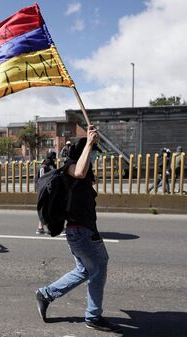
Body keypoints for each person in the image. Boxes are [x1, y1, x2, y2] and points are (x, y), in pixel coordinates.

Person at [35, 126, 121, 333]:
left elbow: (85, 176)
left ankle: (46, 294)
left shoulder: (82, 173)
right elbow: (80, 171)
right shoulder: (71, 168)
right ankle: (93, 316)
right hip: (81, 232)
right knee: (98, 269)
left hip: (82, 231)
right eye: (91, 153)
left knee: (87, 270)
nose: (93, 157)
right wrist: (89, 142)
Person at [36, 149, 57, 235]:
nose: (55, 159)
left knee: (47, 209)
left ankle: (41, 228)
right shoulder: (43, 167)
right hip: (44, 191)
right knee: (46, 209)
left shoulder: (51, 165)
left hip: (50, 190)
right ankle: (48, 228)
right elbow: (42, 180)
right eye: (54, 157)